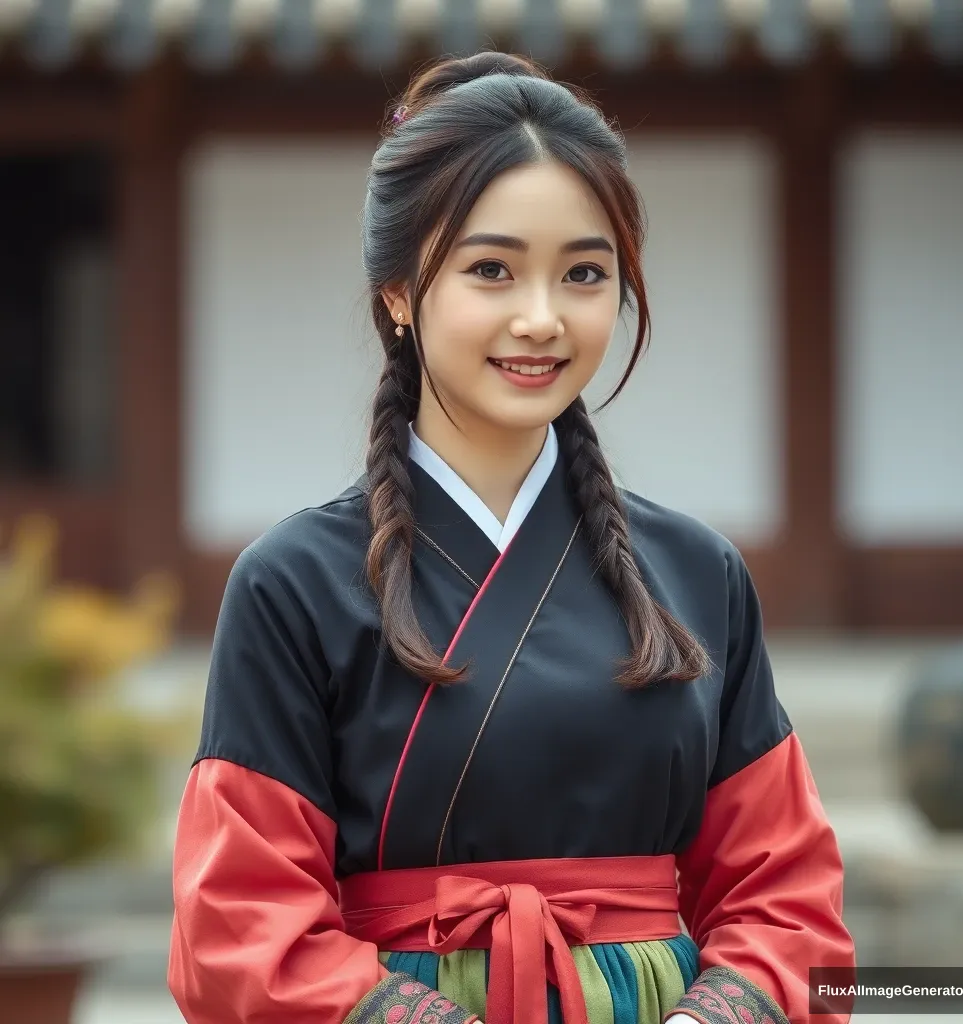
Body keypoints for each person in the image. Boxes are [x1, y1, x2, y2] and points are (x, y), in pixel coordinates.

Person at [167, 51, 854, 1024]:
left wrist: (721, 1013)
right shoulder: (292, 585)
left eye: (583, 272)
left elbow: (788, 900)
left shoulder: (697, 574)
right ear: (400, 291)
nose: (541, 318)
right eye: (491, 269)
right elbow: (239, 927)